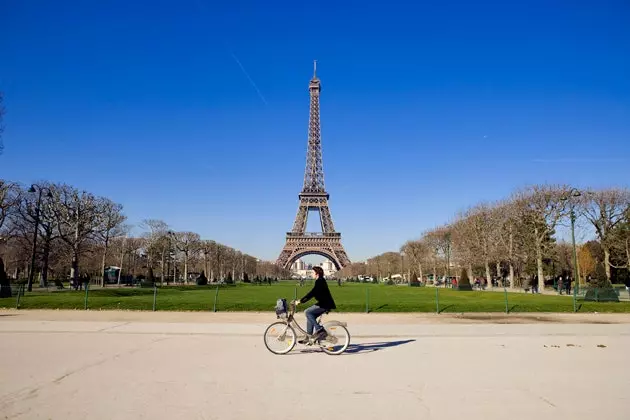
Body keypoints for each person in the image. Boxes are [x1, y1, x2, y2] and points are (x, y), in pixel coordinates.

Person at [293, 266, 336, 344]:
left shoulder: (320, 281)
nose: (311, 273)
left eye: (313, 272)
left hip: (325, 304)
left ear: (317, 274)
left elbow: (312, 293)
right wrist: (301, 300)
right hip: (323, 303)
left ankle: (319, 330)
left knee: (307, 312)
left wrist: (301, 301)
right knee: (310, 315)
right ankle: (309, 337)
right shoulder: (320, 280)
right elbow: (313, 292)